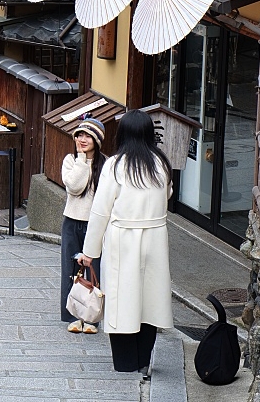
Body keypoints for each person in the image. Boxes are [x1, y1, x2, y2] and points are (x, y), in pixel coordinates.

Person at [79, 110, 174, 378]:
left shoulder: (115, 166)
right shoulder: (161, 164)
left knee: (122, 301)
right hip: (155, 237)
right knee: (150, 302)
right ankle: (144, 360)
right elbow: (167, 194)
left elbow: (100, 211)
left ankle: (125, 362)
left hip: (123, 239)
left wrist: (89, 252)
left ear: (122, 134)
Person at [61, 116, 106, 333]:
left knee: (94, 271)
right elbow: (75, 187)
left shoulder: (106, 164)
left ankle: (92, 318)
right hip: (72, 222)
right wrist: (82, 160)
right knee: (71, 270)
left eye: (87, 135)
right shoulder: (71, 160)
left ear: (97, 139)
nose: (82, 139)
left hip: (95, 224)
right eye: (79, 134)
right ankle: (72, 315)